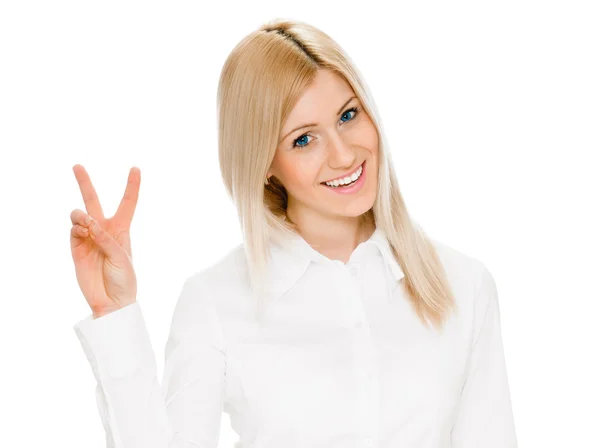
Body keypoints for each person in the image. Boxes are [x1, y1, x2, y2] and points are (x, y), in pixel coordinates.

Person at [70, 18, 518, 448]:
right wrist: (114, 314)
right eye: (304, 139)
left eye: (348, 115)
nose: (344, 155)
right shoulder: (216, 301)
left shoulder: (464, 285)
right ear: (264, 164)